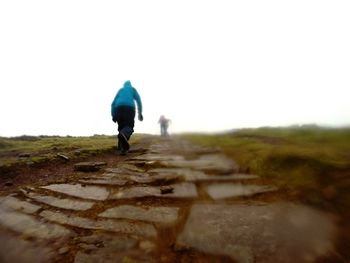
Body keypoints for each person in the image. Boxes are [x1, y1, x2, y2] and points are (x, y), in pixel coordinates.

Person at [111, 80, 143, 155]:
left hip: (118, 108)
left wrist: (114, 115)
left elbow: (113, 103)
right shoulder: (132, 89)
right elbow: (138, 100)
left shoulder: (121, 90)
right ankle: (123, 141)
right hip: (129, 108)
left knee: (121, 127)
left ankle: (122, 149)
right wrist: (140, 113)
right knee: (129, 127)